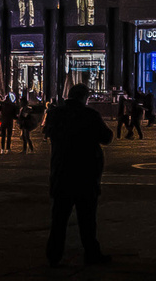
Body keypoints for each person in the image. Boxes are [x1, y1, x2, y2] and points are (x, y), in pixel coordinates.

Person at [44, 84, 112, 267]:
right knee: (87, 220)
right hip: (85, 175)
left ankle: (53, 254)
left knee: (59, 218)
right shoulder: (89, 115)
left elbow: (48, 132)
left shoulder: (56, 114)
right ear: (85, 97)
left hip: (61, 173)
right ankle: (91, 254)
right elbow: (106, 137)